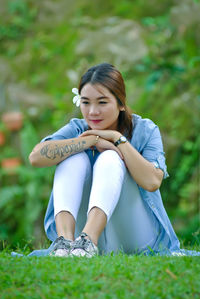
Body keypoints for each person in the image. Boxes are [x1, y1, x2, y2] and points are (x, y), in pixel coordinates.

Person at [28, 63, 193, 258]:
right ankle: (65, 244)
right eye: (86, 102)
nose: (92, 112)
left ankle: (88, 240)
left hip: (135, 235)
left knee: (110, 158)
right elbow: (36, 157)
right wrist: (91, 140)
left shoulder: (145, 130)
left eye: (102, 102)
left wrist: (117, 139)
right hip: (78, 246)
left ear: (121, 103)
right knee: (72, 157)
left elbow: (152, 182)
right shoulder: (79, 129)